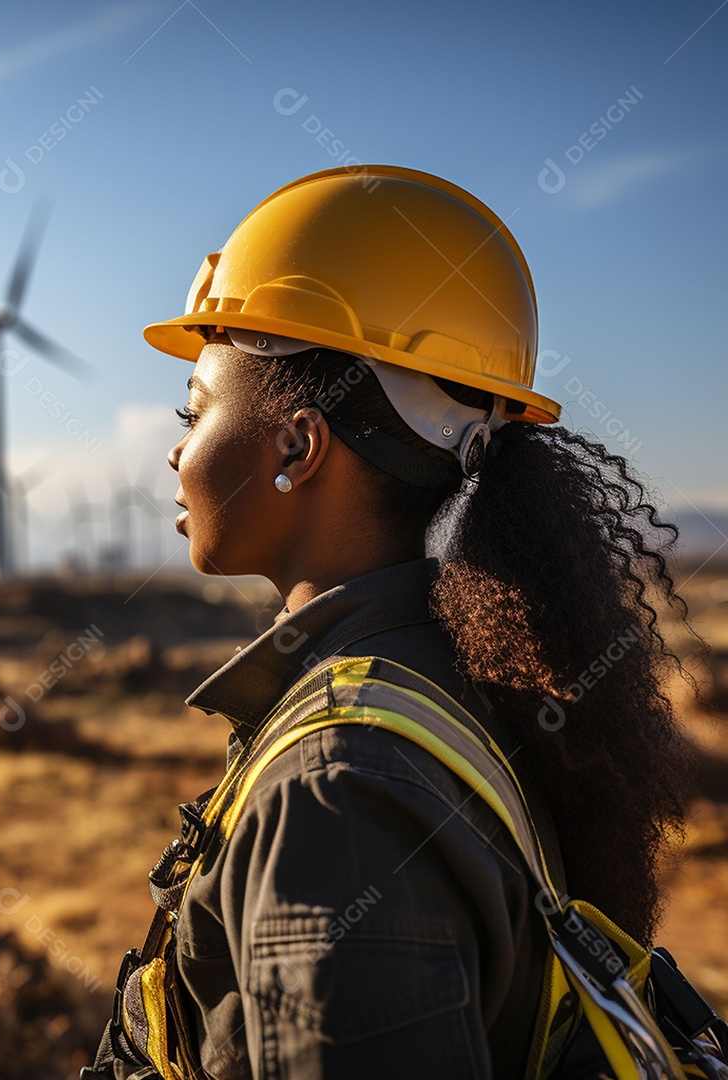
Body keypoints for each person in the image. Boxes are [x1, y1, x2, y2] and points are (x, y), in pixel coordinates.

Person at [85, 166, 695, 1078]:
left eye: (195, 409)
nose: (176, 450)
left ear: (299, 443)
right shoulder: (458, 679)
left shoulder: (335, 794)